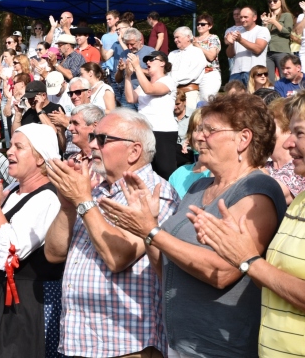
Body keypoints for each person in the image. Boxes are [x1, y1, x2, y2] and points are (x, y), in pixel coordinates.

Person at [100, 92, 286, 358]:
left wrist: (151, 232)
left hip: (221, 348)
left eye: (210, 130)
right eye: (200, 129)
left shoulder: (258, 189)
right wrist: (150, 228)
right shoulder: (199, 187)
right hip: (179, 343)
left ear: (243, 139)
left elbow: (222, 273)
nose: (199, 136)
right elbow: (167, 270)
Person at [43, 109, 179, 358]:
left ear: (134, 151)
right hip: (80, 340)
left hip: (126, 344)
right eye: (93, 136)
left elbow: (118, 257)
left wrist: (83, 200)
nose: (92, 144)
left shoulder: (155, 193)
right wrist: (67, 205)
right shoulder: (94, 190)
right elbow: (53, 254)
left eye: (103, 139)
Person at [190, 91, 305, 358]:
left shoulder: (262, 190)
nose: (287, 144)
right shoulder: (299, 201)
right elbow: (272, 282)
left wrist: (247, 259)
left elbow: (238, 269)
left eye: (298, 133)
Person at [0, 124, 65, 358]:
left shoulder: (48, 198)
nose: (9, 152)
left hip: (27, 300)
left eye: (18, 147)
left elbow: (13, 251)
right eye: (10, 146)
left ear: (40, 158)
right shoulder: (10, 191)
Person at [123, 50, 178, 180]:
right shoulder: (144, 84)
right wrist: (127, 76)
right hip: (144, 132)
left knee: (165, 170)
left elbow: (150, 90)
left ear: (163, 63)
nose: (148, 62)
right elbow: (131, 98)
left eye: (152, 59)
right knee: (145, 171)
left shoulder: (168, 81)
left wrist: (137, 67)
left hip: (163, 131)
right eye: (147, 60)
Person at [264, 97, 304, 204]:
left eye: (271, 129)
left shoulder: (298, 170)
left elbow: (265, 194)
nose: (264, 134)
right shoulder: (266, 165)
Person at [168, 108, 210, 197]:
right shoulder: (179, 173)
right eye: (196, 130)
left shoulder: (221, 176)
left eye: (208, 130)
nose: (199, 137)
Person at [227, 6, 271, 86]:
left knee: (253, 98)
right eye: (241, 17)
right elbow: (230, 55)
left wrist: (240, 40)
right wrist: (231, 44)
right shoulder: (237, 32)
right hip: (236, 72)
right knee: (233, 98)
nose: (242, 20)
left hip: (254, 72)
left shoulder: (262, 30)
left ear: (254, 18)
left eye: (245, 17)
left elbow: (258, 49)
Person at [168, 26, 207, 114]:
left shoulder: (197, 52)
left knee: (189, 120)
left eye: (177, 37)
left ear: (188, 37)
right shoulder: (172, 54)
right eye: (174, 38)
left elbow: (192, 75)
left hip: (189, 93)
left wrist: (172, 82)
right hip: (172, 93)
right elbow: (166, 72)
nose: (175, 40)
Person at [261, 0, 294, 82]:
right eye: (270, 1)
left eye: (275, 1)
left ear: (281, 2)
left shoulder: (287, 15)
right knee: (269, 79)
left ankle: (286, 95)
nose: (272, 3)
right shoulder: (268, 17)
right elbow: (263, 36)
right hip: (268, 51)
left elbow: (287, 32)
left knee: (285, 77)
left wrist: (274, 22)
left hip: (281, 50)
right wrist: (264, 24)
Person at [192, 13, 222, 101]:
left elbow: (211, 56)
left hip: (209, 74)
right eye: (198, 24)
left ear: (210, 26)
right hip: (195, 75)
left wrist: (198, 46)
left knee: (207, 102)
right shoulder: (193, 40)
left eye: (203, 24)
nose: (199, 26)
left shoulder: (213, 38)